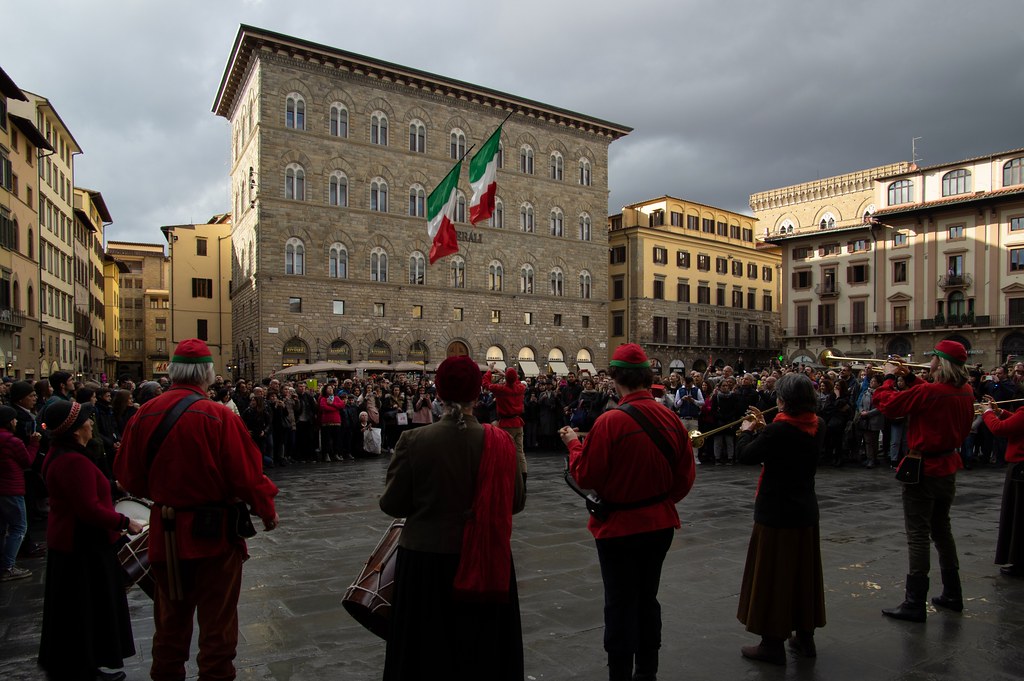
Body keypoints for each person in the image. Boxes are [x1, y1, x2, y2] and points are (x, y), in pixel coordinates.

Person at [115, 339, 279, 681]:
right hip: (213, 535)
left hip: (166, 533)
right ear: (207, 374)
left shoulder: (144, 414)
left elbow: (127, 475)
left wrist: (167, 496)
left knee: (169, 627)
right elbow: (247, 475)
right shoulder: (218, 415)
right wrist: (265, 509)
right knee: (218, 627)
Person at [380, 355, 526, 680]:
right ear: (478, 395)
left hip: (425, 564)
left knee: (425, 654)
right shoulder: (501, 442)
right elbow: (515, 502)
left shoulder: (414, 441)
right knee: (481, 653)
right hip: (486, 562)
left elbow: (393, 504)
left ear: (439, 393)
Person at [560, 344, 696, 681]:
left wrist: (574, 445)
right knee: (647, 598)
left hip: (619, 529)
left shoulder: (610, 422)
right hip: (660, 524)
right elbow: (685, 478)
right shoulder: (672, 419)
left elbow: (586, 476)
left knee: (620, 603)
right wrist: (659, 501)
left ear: (616, 377)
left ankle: (620, 674)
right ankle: (647, 672)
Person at [38, 400, 143, 681]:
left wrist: (112, 486)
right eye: (86, 420)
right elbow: (88, 509)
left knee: (76, 610)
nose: (91, 423)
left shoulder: (62, 454)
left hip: (71, 543)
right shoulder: (72, 460)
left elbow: (82, 490)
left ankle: (82, 666)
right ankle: (84, 670)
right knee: (84, 610)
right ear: (75, 430)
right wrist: (126, 522)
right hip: (83, 545)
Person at [873, 340, 974, 621]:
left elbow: (889, 405)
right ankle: (953, 593)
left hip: (924, 468)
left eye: (933, 359)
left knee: (918, 534)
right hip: (948, 466)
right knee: (942, 531)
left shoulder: (931, 392)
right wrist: (910, 377)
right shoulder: (965, 391)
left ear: (941, 364)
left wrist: (890, 377)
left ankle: (914, 602)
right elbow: (929, 396)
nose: (928, 363)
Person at [735, 373, 826, 665]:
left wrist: (747, 430)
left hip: (776, 511)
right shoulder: (817, 425)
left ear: (785, 401)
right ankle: (804, 638)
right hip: (805, 510)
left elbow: (746, 456)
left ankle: (771, 643)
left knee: (773, 576)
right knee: (802, 575)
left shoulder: (779, 431)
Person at [980, 396, 1024, 576]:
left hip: (1020, 467)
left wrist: (988, 413)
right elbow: (1017, 424)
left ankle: (1020, 562)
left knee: (1017, 517)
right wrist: (1001, 412)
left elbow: (999, 429)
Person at [0, 405, 40, 580]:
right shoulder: (12, 441)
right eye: (14, 419)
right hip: (12, 487)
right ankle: (7, 566)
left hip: (2, 488)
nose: (16, 421)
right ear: (9, 421)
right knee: (19, 527)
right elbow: (27, 461)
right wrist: (34, 444)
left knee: (2, 528)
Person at [483, 363, 528, 486]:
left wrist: (490, 370)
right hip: (518, 423)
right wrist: (506, 375)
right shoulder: (520, 388)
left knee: (504, 451)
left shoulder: (501, 389)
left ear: (506, 378)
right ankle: (523, 479)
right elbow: (517, 381)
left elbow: (486, 384)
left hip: (506, 424)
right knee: (520, 452)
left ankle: (506, 477)